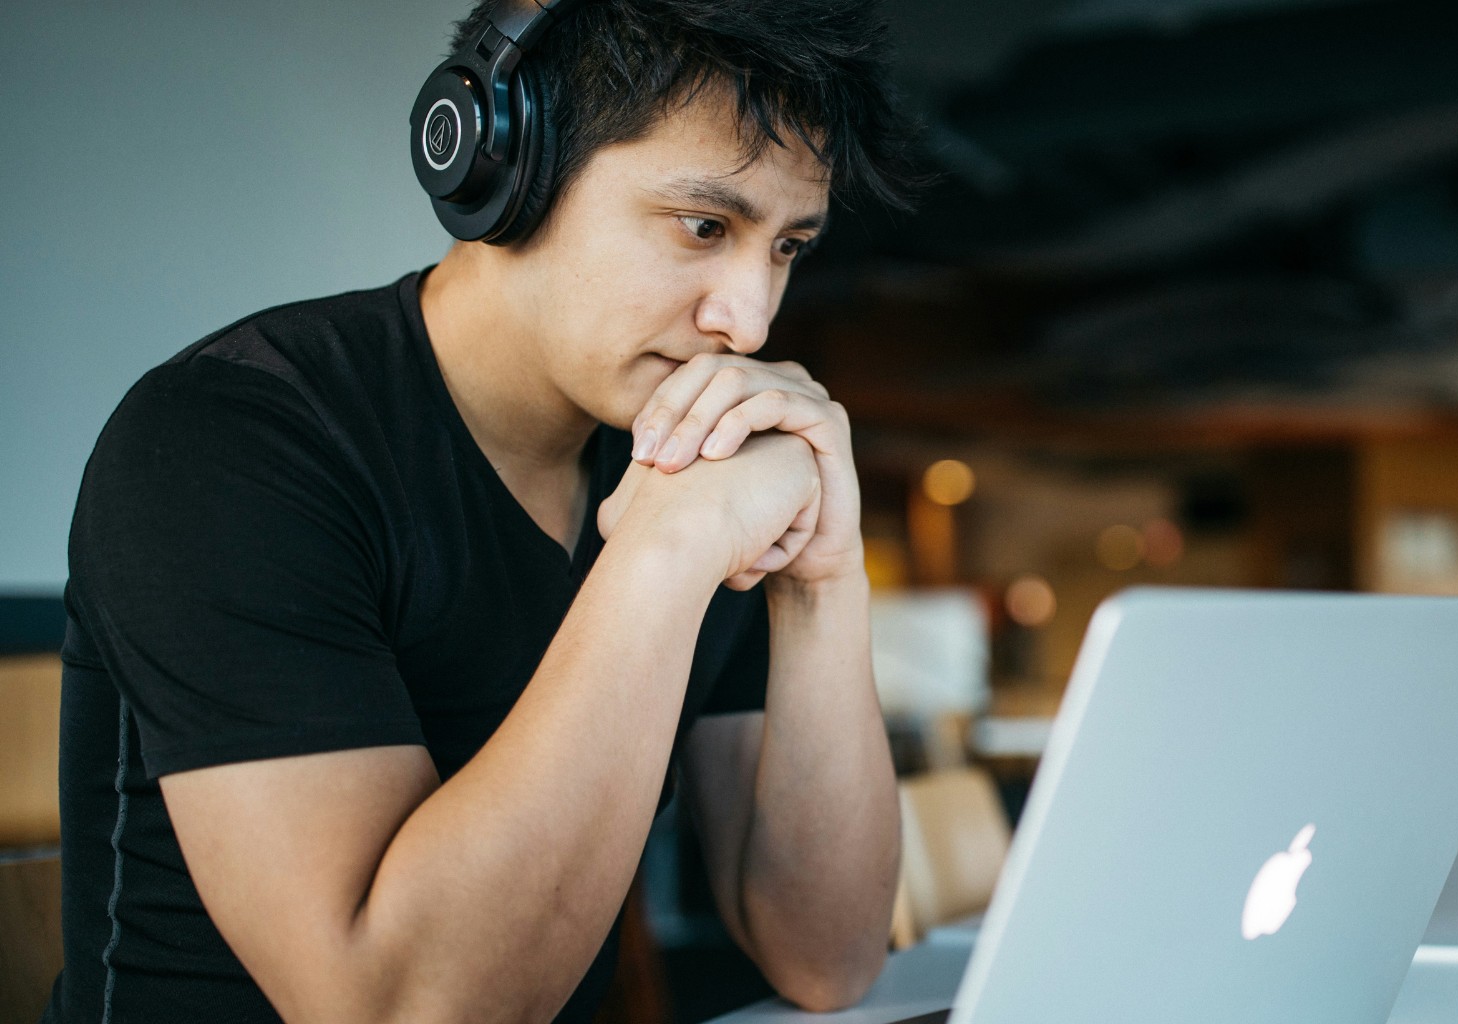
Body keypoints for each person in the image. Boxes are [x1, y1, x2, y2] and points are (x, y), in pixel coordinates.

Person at [42, 1, 921, 1021]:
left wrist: (823, 575)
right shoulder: (227, 442)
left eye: (786, 247)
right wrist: (665, 551)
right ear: (506, 169)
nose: (750, 317)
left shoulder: (691, 457)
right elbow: (398, 1007)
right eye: (704, 226)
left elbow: (827, 956)